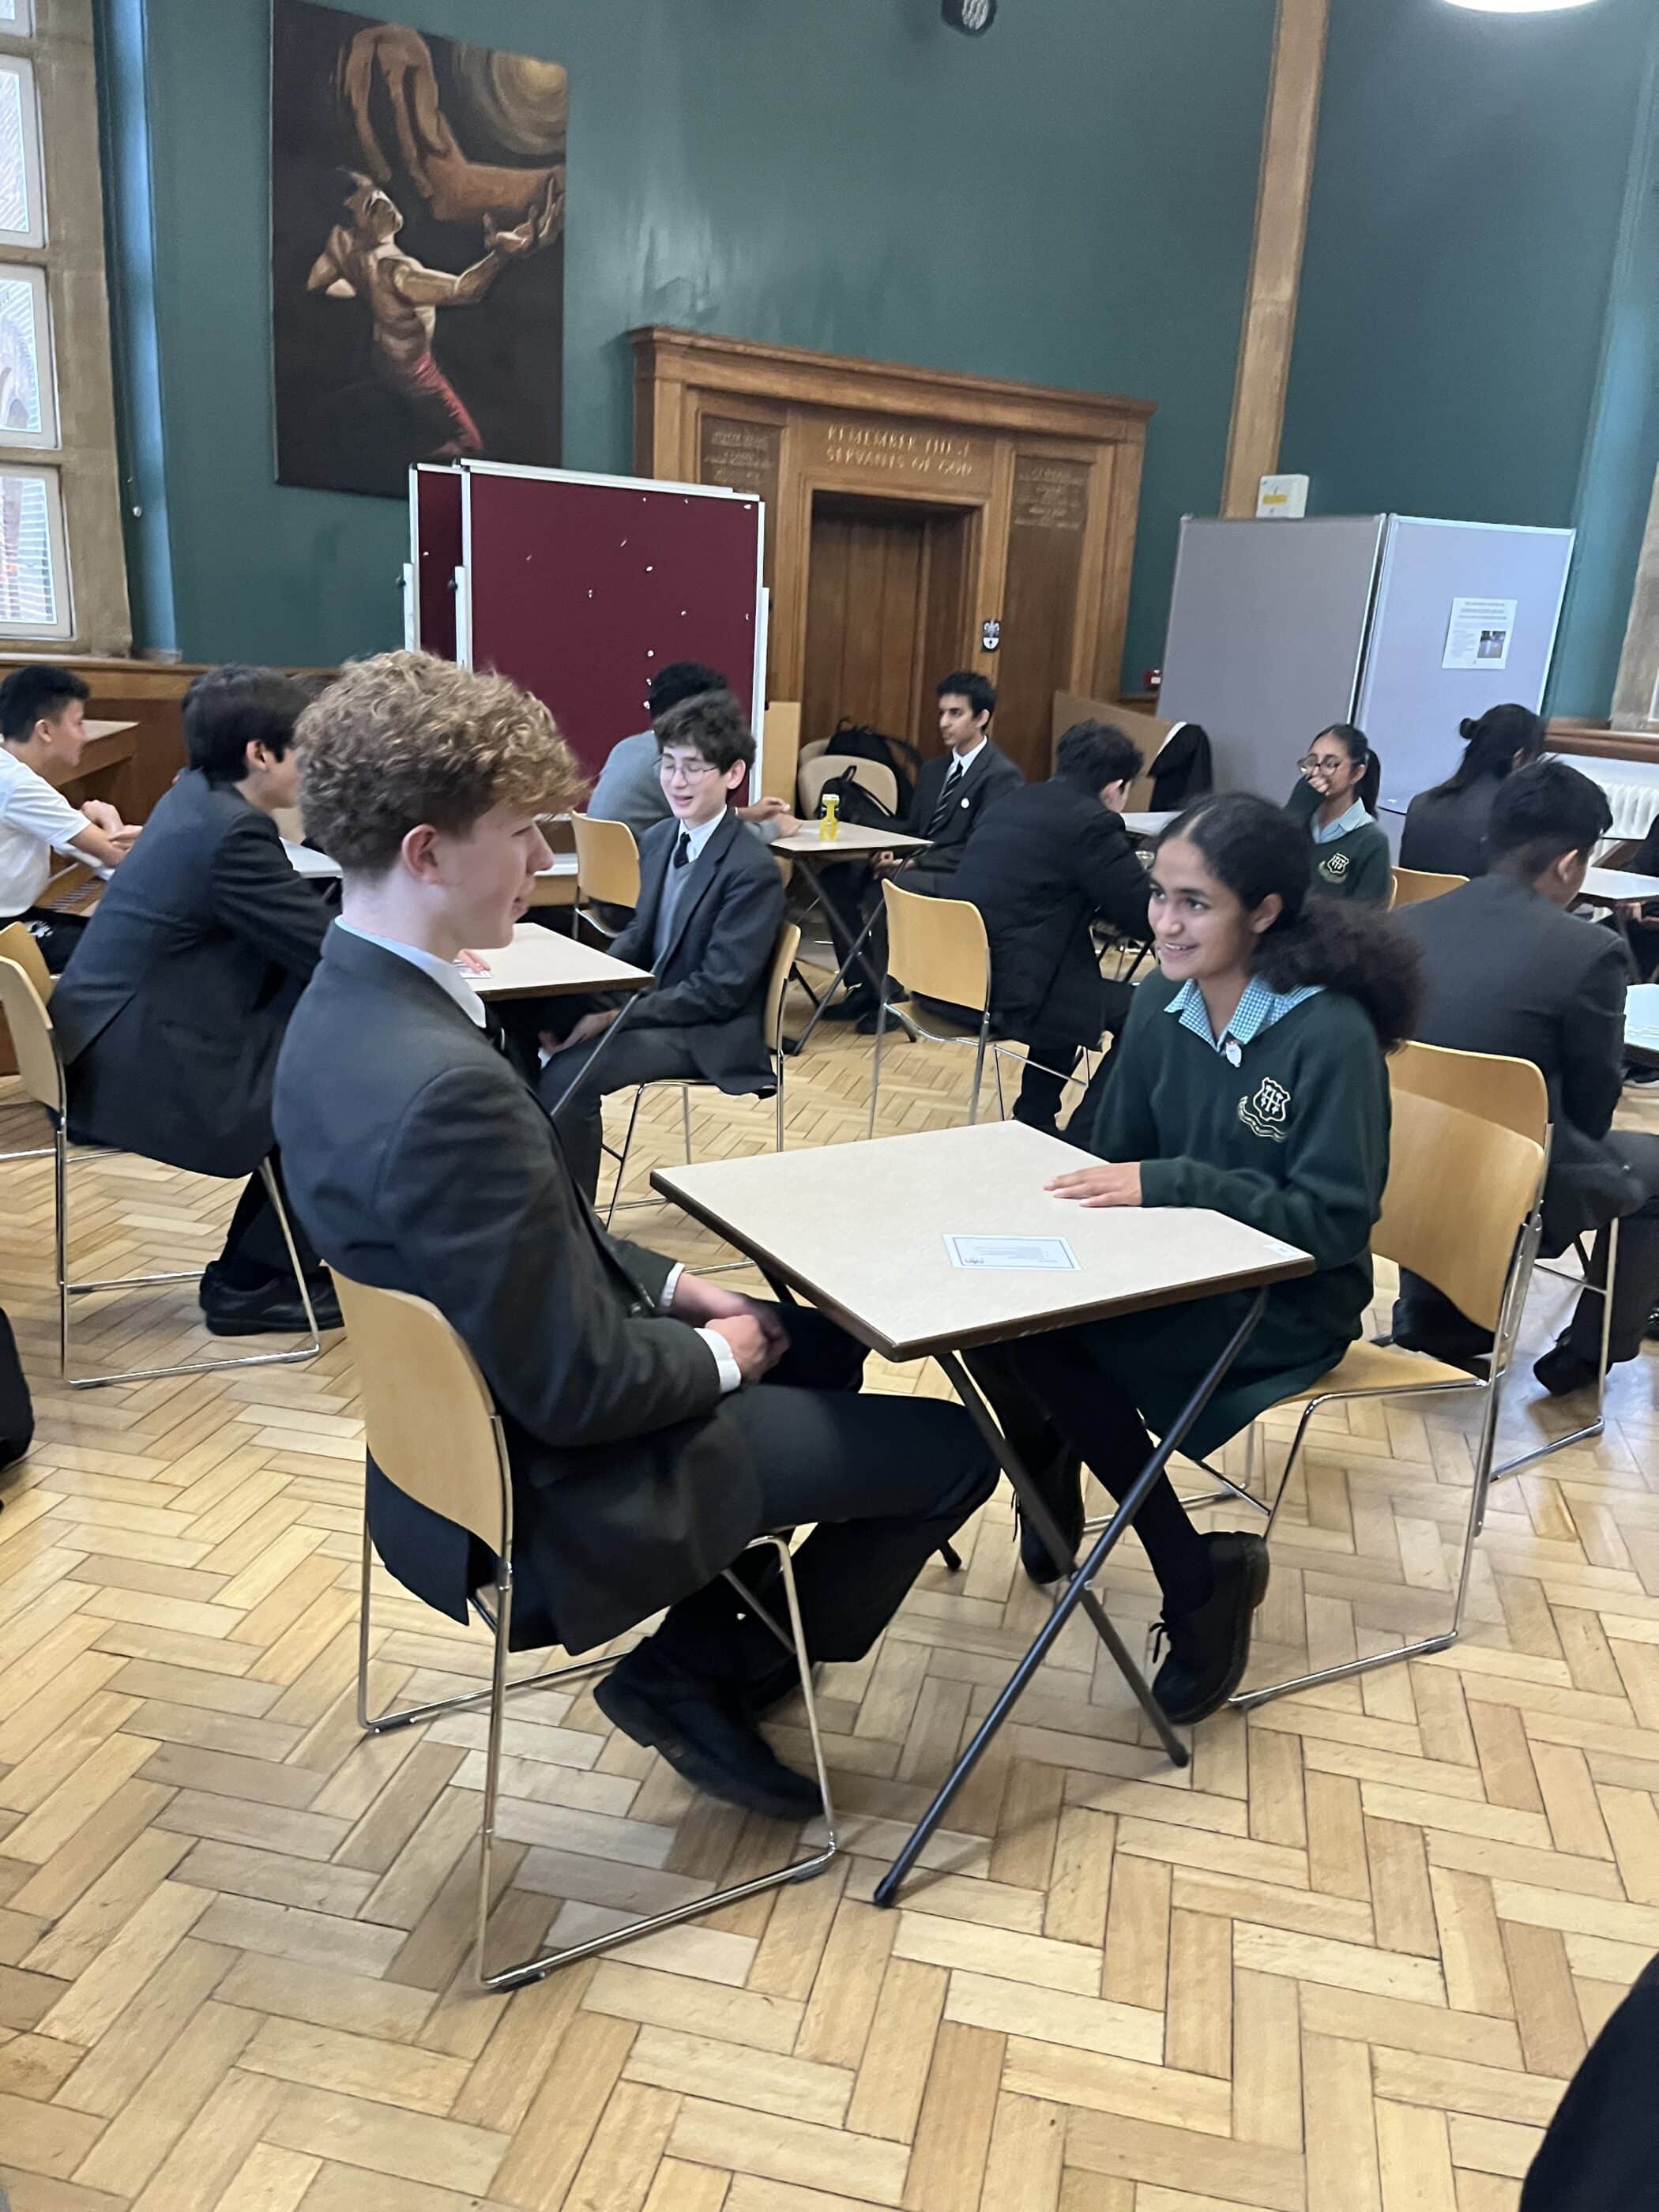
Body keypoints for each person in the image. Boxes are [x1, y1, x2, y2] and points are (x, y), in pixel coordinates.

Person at [273, 650, 996, 1819]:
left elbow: (516, 1252)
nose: (542, 859)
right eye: (520, 832)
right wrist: (720, 1356)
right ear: (426, 853)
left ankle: (732, 1605)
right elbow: (577, 1387)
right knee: (957, 1447)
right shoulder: (444, 1087)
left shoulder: (338, 1007)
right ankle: (693, 1672)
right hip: (558, 1482)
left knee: (819, 1346)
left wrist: (673, 1289)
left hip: (441, 1458)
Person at [969, 794, 1419, 1724]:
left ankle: (1197, 1579)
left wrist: (1177, 1182)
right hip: (1175, 1264)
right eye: (1159, 896)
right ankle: (1054, 1469)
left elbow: (1333, 1223)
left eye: (1195, 903)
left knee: (1056, 1352)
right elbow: (1118, 1156)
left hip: (1289, 1296)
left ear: (1264, 912)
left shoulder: (1327, 1032)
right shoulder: (1159, 1003)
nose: (1164, 923)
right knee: (989, 1318)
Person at [49, 667, 340, 1336]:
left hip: (114, 1041)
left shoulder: (195, 798)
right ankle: (254, 1283)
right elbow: (327, 949)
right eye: (307, 748)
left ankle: (262, 1270)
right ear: (260, 753)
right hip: (141, 1068)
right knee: (341, 1086)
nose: (316, 765)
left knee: (327, 1052)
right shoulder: (233, 832)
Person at [1390, 758, 1659, 1396]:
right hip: (1511, 1186)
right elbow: (1593, 1108)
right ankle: (1588, 1355)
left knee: (1446, 1107)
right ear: (1569, 864)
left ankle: (1435, 1320)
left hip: (1392, 1168)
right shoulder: (1590, 952)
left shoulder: (1403, 924)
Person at [540, 689, 788, 1201]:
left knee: (568, 1075)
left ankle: (575, 1226)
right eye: (669, 765)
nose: (676, 781)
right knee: (526, 1022)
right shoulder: (658, 839)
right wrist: (588, 987)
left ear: (734, 775)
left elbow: (718, 992)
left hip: (705, 1029)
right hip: (655, 1001)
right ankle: (531, 1196)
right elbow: (638, 935)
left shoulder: (752, 870)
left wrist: (613, 1017)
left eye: (693, 768)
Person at [945, 720, 1152, 1133]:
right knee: (1148, 1010)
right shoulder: (1093, 823)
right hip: (1013, 993)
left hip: (955, 981)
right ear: (1115, 787)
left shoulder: (1008, 804)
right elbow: (1144, 916)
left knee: (1070, 975)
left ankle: (1035, 1118)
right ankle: (1086, 1137)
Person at [308, 171, 559, 460]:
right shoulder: (396, 271)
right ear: (356, 229)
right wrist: (502, 255)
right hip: (415, 371)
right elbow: (464, 290)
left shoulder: (342, 243)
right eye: (372, 207)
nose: (386, 204)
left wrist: (361, 291)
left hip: (382, 354)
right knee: (471, 444)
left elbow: (318, 283)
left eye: (379, 193)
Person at [825, 670, 1023, 1029]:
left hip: (960, 874)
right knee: (835, 879)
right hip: (916, 863)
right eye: (942, 713)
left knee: (888, 888)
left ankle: (891, 997)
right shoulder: (934, 770)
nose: (944, 723)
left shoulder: (1000, 776)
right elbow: (914, 829)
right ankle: (864, 984)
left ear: (982, 718)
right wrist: (887, 850)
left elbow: (982, 848)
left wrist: (912, 863)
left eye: (955, 713)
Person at [0, 665, 139, 971]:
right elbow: (115, 855)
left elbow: (71, 842)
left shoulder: (9, 773)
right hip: (5, 930)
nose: (84, 736)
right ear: (45, 730)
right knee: (127, 950)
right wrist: (110, 817)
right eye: (78, 723)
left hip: (15, 918)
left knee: (113, 935)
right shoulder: (19, 785)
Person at [585, 660, 796, 848]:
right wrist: (774, 828)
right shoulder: (669, 764)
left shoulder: (627, 747)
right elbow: (712, 836)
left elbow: (686, 818)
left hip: (604, 874)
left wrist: (745, 814)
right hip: (651, 874)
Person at [1398, 702, 1545, 879]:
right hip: (1479, 898)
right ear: (1519, 759)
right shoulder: (1513, 817)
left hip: (1415, 898)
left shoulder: (1419, 804)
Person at [1292, 724, 1392, 903]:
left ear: (1357, 773)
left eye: (1330, 764)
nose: (1316, 772)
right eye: (1311, 762)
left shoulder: (1371, 841)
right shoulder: (1300, 819)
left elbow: (1369, 915)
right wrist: (1293, 815)